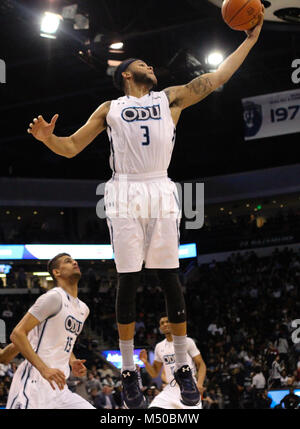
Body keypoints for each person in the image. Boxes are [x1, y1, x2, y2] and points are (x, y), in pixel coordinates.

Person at [27, 8, 264, 409]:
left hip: (159, 186)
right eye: (142, 63)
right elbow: (70, 147)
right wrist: (49, 140)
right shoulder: (109, 109)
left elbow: (217, 78)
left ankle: (184, 366)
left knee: (171, 277)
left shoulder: (170, 98)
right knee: (129, 280)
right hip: (124, 191)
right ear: (125, 74)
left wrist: (249, 40)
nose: (150, 66)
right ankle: (127, 371)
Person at [6, 253, 95, 409]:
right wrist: (44, 369)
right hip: (35, 384)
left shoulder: (83, 309)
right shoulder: (53, 298)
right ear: (56, 272)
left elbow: (63, 339)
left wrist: (72, 360)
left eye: (74, 260)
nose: (74, 262)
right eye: (68, 261)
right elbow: (17, 334)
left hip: (60, 388)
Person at [139, 314, 206, 409]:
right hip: (171, 388)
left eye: (167, 321)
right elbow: (154, 373)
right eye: (162, 323)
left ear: (173, 324)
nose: (165, 324)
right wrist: (145, 362)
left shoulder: (187, 341)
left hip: (189, 387)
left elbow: (201, 364)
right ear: (160, 328)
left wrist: (199, 384)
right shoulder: (159, 346)